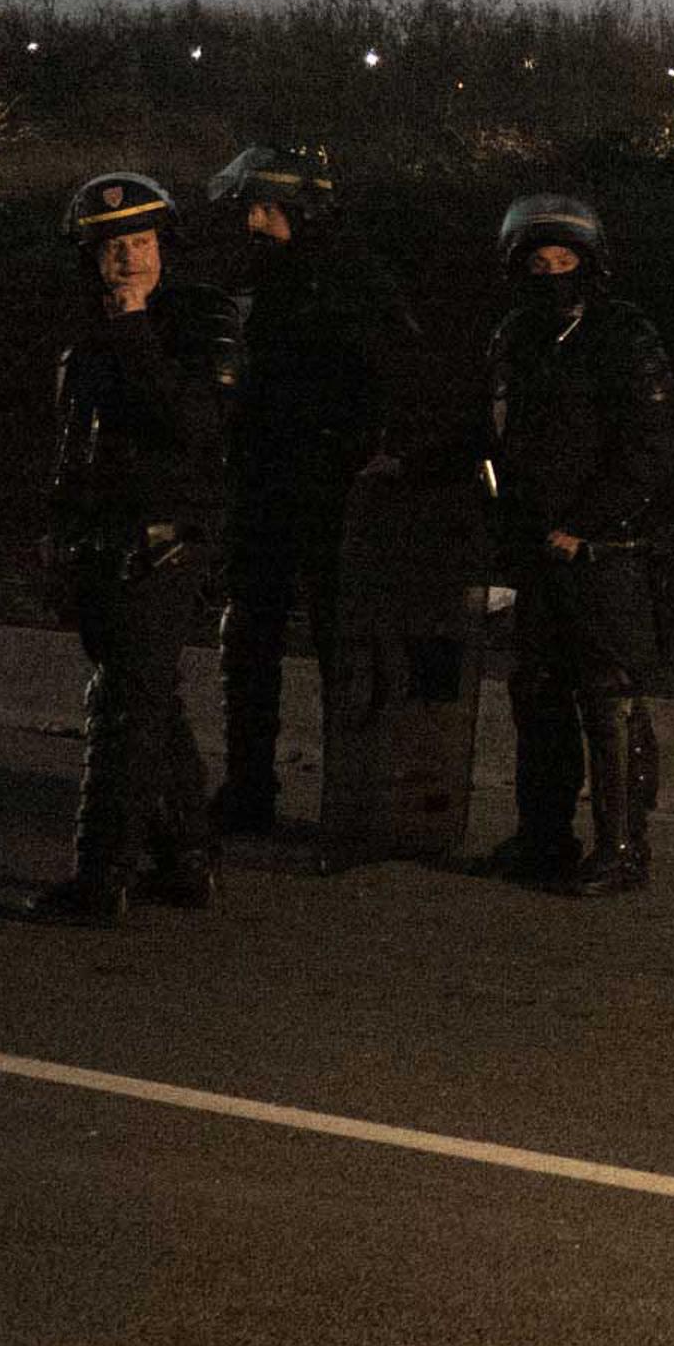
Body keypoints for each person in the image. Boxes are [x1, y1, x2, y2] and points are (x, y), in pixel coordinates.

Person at [27, 171, 242, 925]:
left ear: (165, 247)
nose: (128, 260)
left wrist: (132, 328)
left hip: (165, 542)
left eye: (142, 243)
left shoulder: (198, 317)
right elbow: (73, 442)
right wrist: (59, 527)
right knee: (150, 699)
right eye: (114, 247)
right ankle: (188, 860)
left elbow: (192, 425)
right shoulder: (91, 328)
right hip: (99, 540)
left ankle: (102, 878)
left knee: (122, 705)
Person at [203, 143, 414, 840]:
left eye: (266, 209)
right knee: (249, 638)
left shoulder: (351, 282)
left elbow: (391, 382)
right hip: (261, 483)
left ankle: (350, 799)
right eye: (250, 209)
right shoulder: (250, 283)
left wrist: (358, 455)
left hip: (330, 492)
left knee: (342, 643)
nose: (254, 222)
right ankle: (248, 788)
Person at [476, 193, 674, 895]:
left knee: (609, 694)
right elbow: (495, 431)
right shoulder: (514, 337)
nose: (552, 273)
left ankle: (624, 848)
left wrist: (591, 524)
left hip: (601, 551)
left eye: (565, 261)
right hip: (534, 547)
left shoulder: (623, 335)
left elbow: (648, 446)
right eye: (538, 261)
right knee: (535, 691)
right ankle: (543, 836)